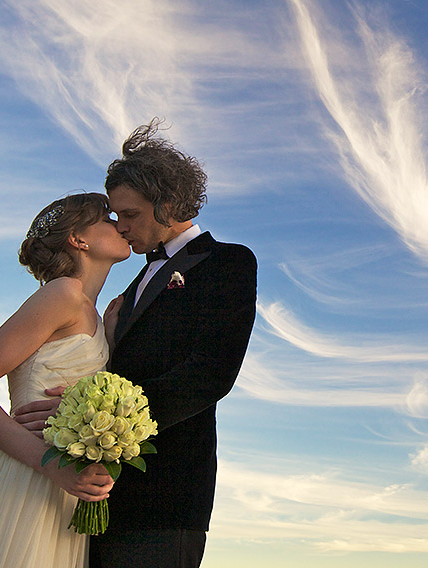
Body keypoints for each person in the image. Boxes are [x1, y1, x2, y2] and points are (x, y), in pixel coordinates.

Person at [15, 119, 257, 567]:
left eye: (130, 214)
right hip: (91, 495)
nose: (122, 226)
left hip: (165, 498)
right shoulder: (130, 286)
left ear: (167, 202)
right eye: (115, 216)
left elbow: (211, 373)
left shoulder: (228, 262)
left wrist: (95, 414)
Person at [0, 192, 132, 567]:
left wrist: (111, 340)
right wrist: (51, 466)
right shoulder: (62, 294)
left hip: (66, 494)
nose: (120, 224)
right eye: (107, 219)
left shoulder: (96, 313)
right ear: (79, 239)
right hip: (29, 482)